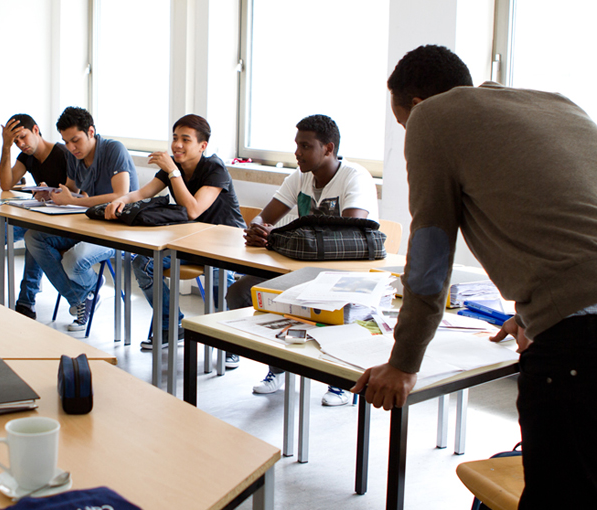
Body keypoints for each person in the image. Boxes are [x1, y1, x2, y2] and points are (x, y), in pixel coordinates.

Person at [351, 44, 597, 508]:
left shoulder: (432, 118)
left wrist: (403, 364)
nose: (407, 133)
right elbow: (572, 226)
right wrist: (536, 315)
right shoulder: (557, 104)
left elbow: (429, 256)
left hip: (582, 344)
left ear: (418, 105)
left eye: (401, 122)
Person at [226, 115, 378, 402]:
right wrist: (259, 230)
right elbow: (264, 217)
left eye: (305, 146)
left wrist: (283, 236)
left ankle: (342, 380)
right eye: (297, 145)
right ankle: (278, 367)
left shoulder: (354, 177)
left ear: (328, 149)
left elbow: (352, 231)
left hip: (344, 276)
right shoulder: (300, 176)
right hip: (301, 270)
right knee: (240, 291)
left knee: (316, 305)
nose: (297, 152)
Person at [105, 114, 245, 355]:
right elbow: (142, 194)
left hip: (224, 243)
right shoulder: (174, 167)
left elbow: (192, 209)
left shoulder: (214, 168)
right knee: (143, 263)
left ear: (202, 146)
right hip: (190, 242)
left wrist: (172, 171)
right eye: (175, 138)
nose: (177, 144)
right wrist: (120, 200)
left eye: (185, 139)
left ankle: (229, 344)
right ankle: (171, 325)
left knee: (217, 282)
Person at [24, 106, 139, 330]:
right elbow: (71, 188)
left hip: (119, 229)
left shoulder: (114, 150)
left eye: (75, 140)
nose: (71, 147)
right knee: (34, 237)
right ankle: (84, 295)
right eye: (66, 142)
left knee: (74, 261)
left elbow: (120, 196)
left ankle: (88, 291)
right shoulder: (73, 156)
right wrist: (50, 194)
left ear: (91, 132)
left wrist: (73, 201)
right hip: (89, 225)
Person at [0, 114, 74, 319]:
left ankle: (26, 301)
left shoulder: (62, 153)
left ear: (35, 130)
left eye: (23, 137)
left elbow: (74, 191)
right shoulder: (27, 156)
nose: (21, 144)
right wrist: (5, 147)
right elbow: (6, 184)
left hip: (62, 222)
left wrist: (51, 195)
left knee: (34, 235)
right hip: (40, 215)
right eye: (16, 141)